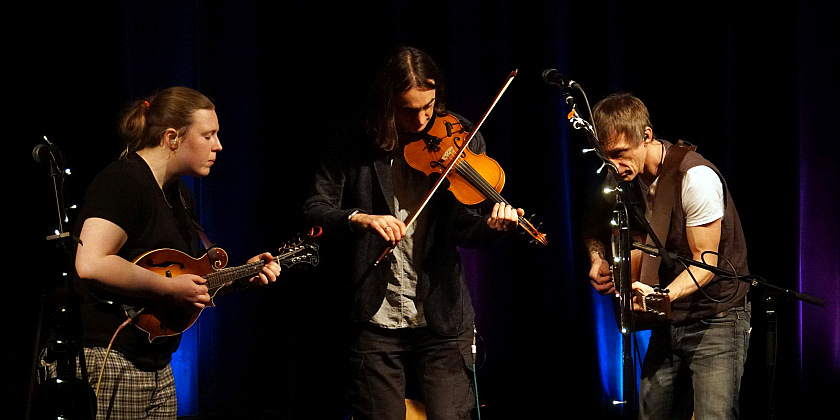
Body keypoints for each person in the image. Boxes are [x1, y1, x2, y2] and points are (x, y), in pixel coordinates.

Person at [303, 46, 523, 420]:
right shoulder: (352, 138)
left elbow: (463, 226)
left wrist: (491, 226)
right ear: (386, 101)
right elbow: (315, 210)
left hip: (439, 311)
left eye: (429, 105)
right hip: (374, 314)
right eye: (408, 109)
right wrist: (360, 218)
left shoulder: (461, 136)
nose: (422, 119)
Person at [45, 86, 282, 419]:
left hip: (157, 363)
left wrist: (242, 277)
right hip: (113, 358)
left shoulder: (180, 195)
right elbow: (91, 263)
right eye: (208, 135)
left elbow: (189, 280)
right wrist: (168, 287)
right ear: (172, 137)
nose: (218, 145)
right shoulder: (123, 182)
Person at [585, 93, 751, 419]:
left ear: (646, 136)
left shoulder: (695, 177)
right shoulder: (621, 177)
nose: (614, 166)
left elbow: (707, 262)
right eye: (607, 158)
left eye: (621, 154)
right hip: (667, 321)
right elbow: (592, 220)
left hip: (714, 318)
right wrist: (596, 258)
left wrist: (662, 295)